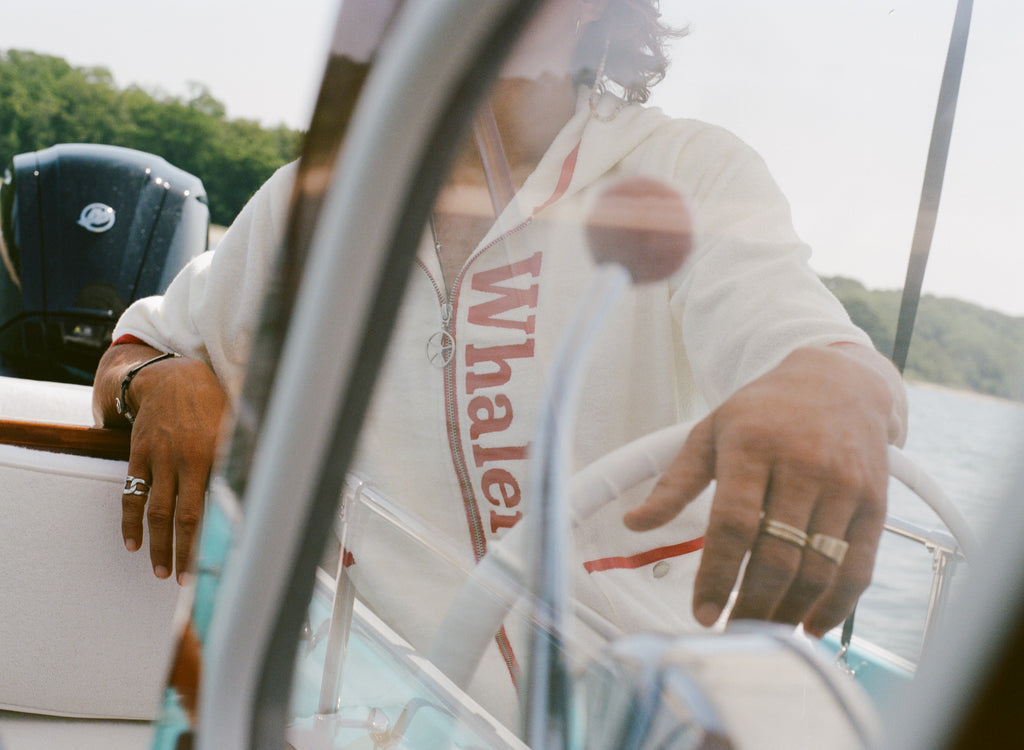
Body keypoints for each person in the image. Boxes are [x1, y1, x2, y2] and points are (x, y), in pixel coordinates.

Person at [93, 0, 906, 723]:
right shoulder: (321, 200)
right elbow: (137, 347)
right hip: (377, 709)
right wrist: (161, 379)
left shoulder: (688, 171)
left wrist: (833, 382)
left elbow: (805, 342)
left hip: (636, 710)